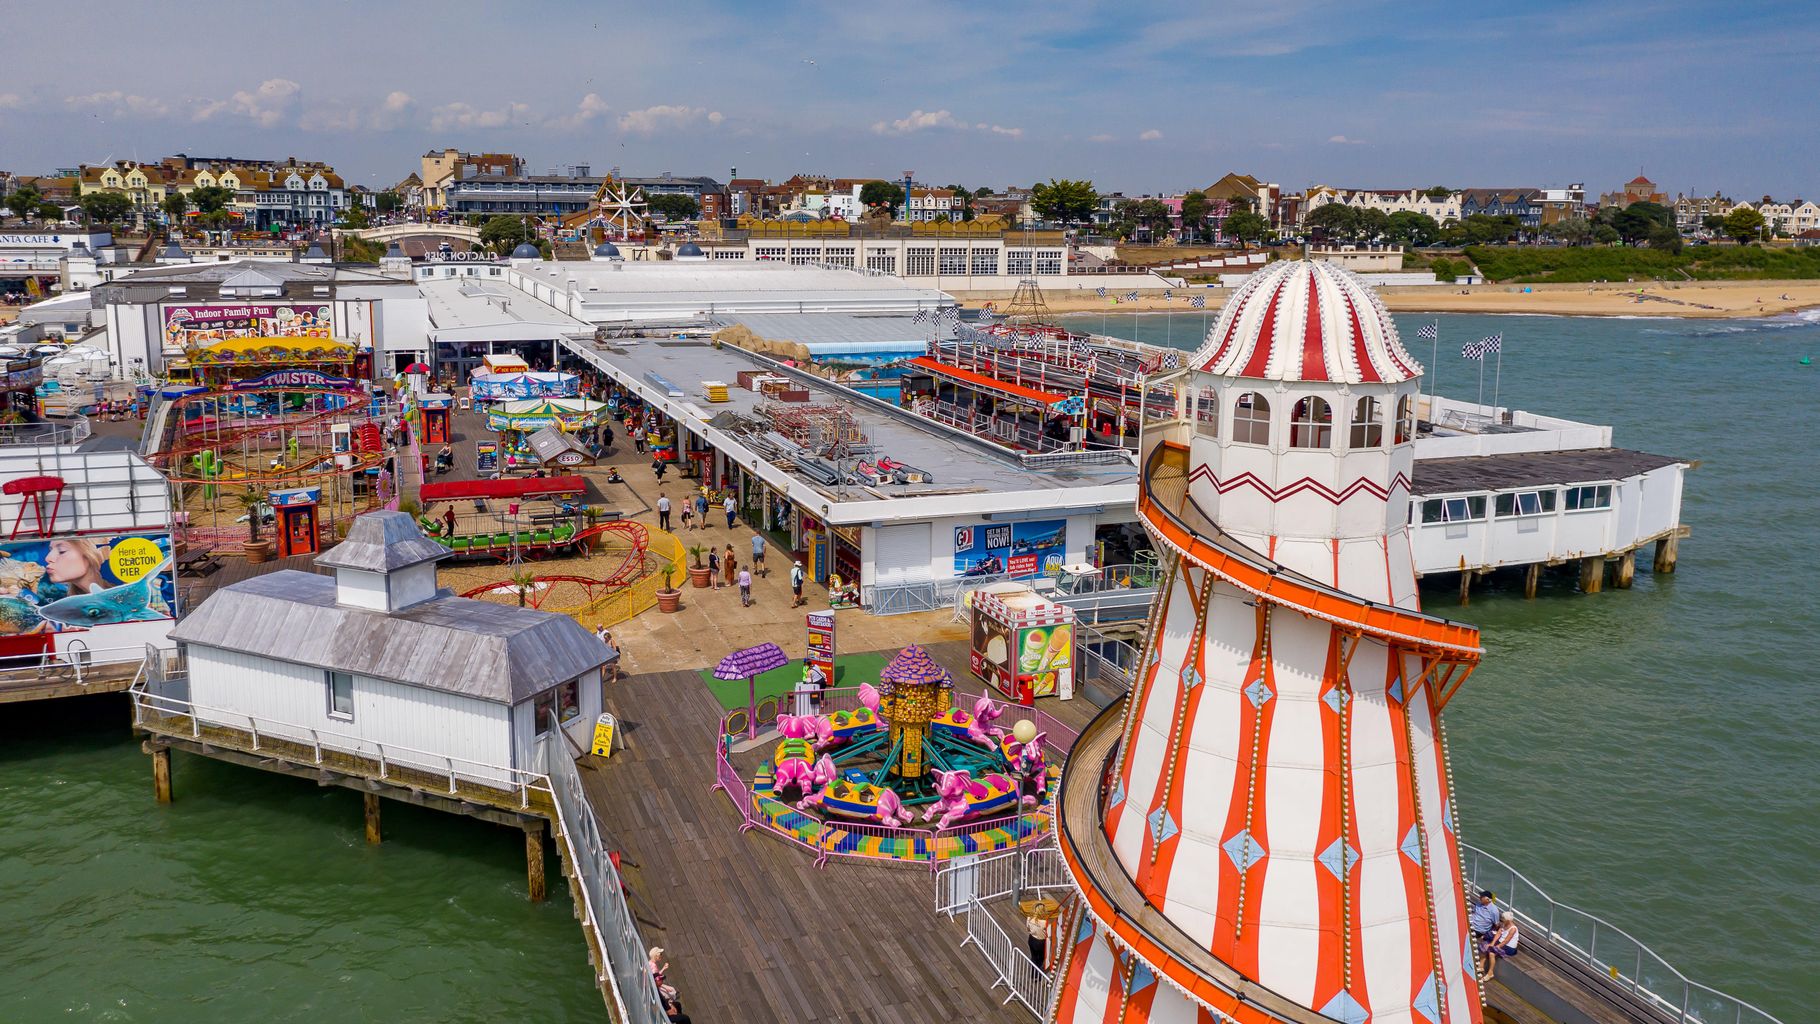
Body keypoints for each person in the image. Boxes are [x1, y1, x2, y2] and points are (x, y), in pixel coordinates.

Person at [1482, 912, 1520, 980]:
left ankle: (1490, 973)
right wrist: (1492, 943)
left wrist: (1498, 946)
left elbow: (1506, 940)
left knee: (1491, 953)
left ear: (1508, 920)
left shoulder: (1513, 929)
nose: (1502, 920)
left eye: (1503, 919)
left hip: (1509, 947)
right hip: (1502, 942)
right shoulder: (1504, 924)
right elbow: (1498, 933)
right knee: (1486, 946)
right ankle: (1481, 966)